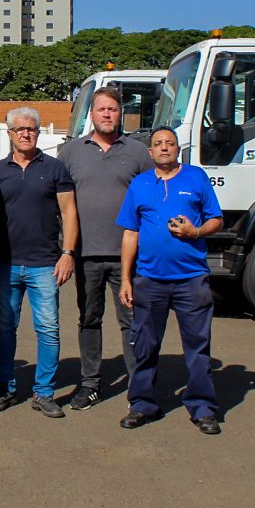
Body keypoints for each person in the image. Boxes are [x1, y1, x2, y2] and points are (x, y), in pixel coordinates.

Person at [116, 126, 224, 432]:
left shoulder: (196, 178)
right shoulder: (139, 184)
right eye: (158, 144)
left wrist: (196, 232)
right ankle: (142, 404)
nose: (164, 147)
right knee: (144, 345)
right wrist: (126, 278)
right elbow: (130, 232)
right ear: (149, 152)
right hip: (149, 280)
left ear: (178, 149)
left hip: (191, 279)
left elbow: (216, 219)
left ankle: (202, 407)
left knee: (197, 346)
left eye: (170, 143)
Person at [57, 87, 152, 410]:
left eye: (113, 109)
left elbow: (150, 203)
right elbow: (59, 204)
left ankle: (139, 388)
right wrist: (64, 250)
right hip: (85, 254)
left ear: (120, 113)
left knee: (132, 321)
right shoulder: (71, 152)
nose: (107, 114)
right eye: (101, 110)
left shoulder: (138, 152)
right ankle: (90, 384)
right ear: (92, 114)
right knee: (89, 319)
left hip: (128, 256)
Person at [0, 107, 78, 419]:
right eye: (19, 129)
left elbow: (69, 214)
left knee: (48, 329)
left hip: (45, 265)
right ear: (9, 133)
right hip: (6, 263)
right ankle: (5, 388)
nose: (25, 134)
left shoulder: (54, 168)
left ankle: (45, 392)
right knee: (5, 329)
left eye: (31, 129)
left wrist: (67, 254)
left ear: (38, 132)